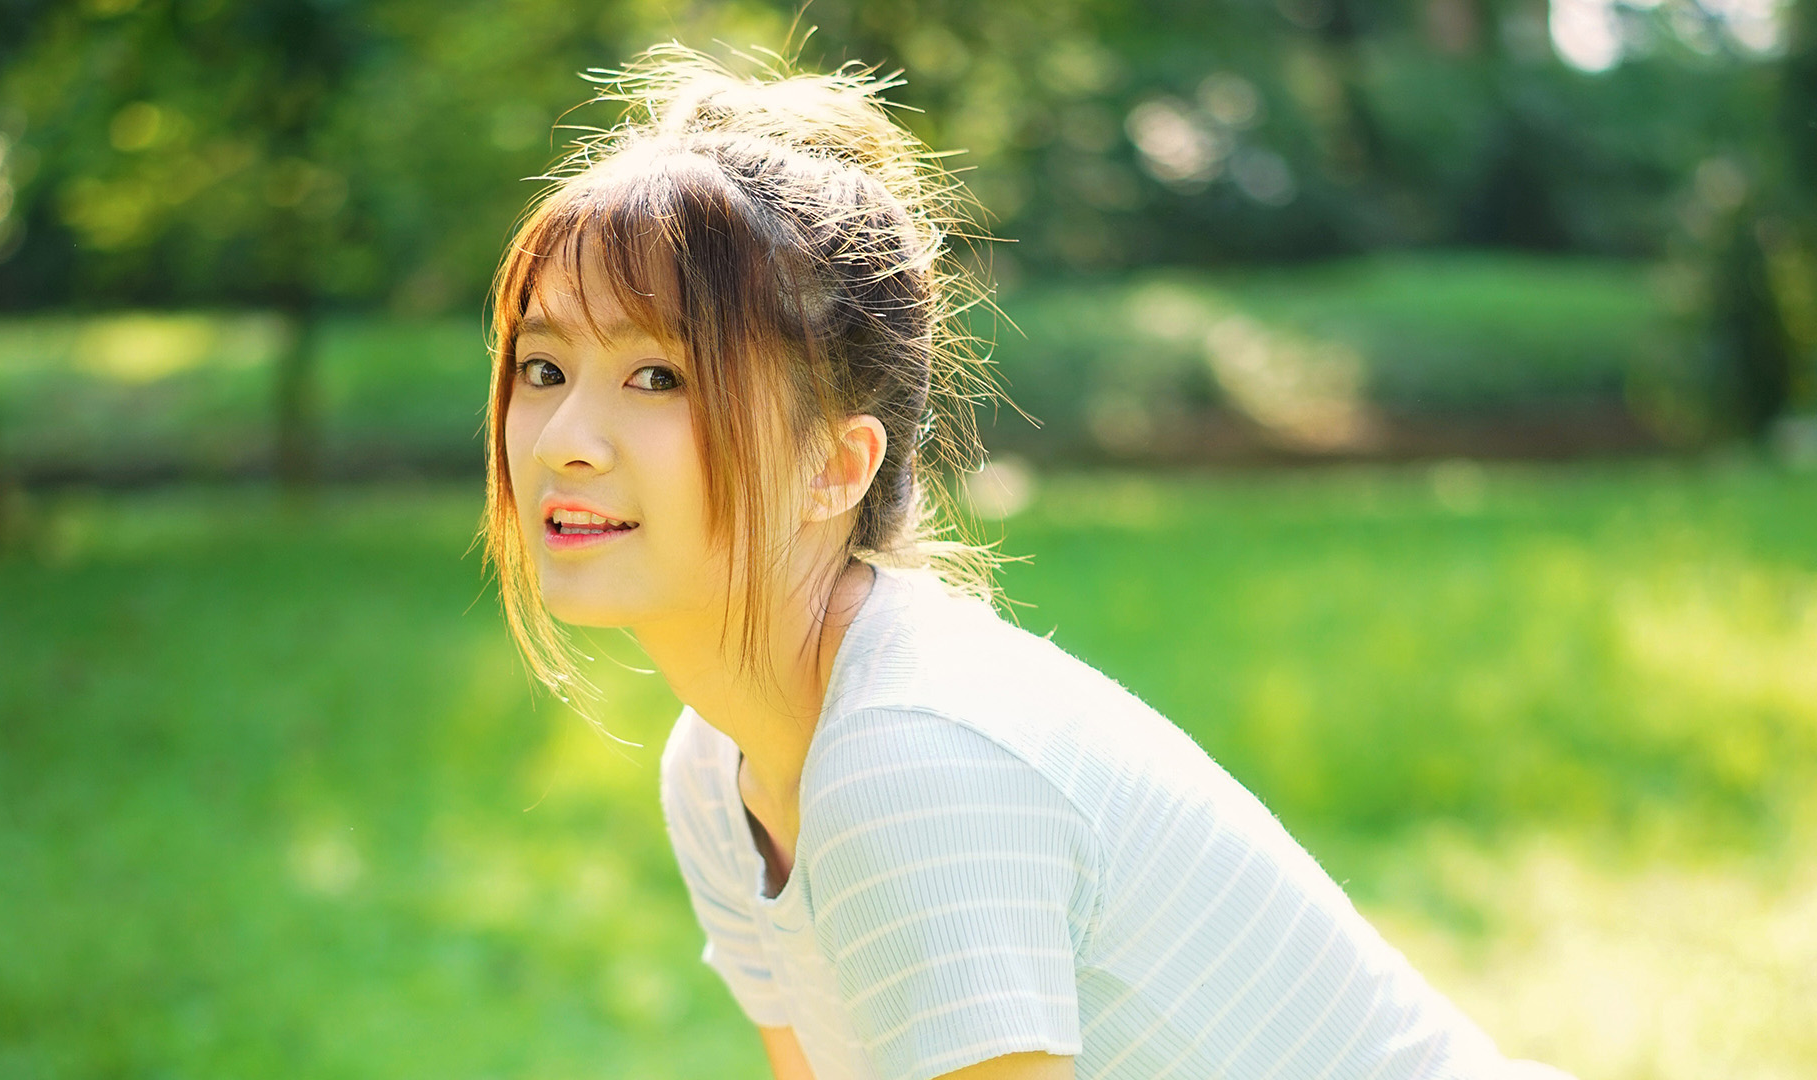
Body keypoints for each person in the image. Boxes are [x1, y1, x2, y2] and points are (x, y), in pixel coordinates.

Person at [479, 41, 1572, 1080]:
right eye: (543, 367)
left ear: (834, 467)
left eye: (658, 377)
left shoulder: (910, 760)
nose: (567, 439)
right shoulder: (719, 772)